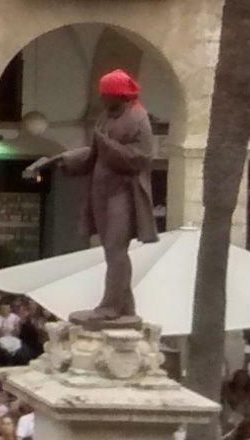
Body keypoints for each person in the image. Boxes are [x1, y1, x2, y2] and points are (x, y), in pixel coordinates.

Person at [23, 69, 158, 324]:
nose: (103, 101)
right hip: (101, 192)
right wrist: (58, 160)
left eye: (106, 96)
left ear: (119, 95)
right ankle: (125, 307)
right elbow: (92, 153)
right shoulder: (105, 117)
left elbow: (140, 158)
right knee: (111, 251)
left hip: (123, 192)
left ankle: (109, 308)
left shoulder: (139, 119)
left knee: (116, 250)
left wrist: (106, 144)